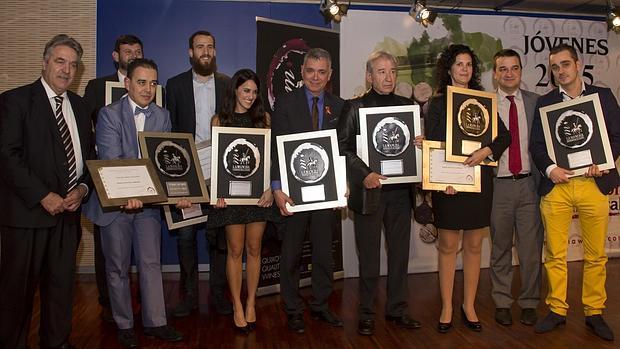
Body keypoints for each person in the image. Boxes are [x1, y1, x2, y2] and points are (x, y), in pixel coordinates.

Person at [0, 34, 93, 349]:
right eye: (60, 61)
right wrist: (44, 195)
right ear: (44, 62)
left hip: (68, 217)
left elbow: (88, 158)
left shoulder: (80, 107)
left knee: (61, 288)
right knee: (17, 294)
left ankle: (57, 342)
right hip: (27, 217)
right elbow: (7, 157)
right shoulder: (15, 101)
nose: (67, 70)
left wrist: (82, 188)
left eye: (73, 64)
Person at [83, 59, 184, 348]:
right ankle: (125, 324)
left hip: (148, 205)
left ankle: (156, 322)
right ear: (127, 83)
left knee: (151, 263)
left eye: (153, 83)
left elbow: (164, 161)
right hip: (115, 204)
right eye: (142, 82)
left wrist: (178, 190)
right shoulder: (108, 114)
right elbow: (112, 161)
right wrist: (131, 193)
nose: (148, 89)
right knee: (117, 267)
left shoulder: (163, 116)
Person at [530, 43, 620, 342]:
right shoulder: (545, 103)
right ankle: (557, 309)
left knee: (596, 256)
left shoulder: (603, 97)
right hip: (558, 185)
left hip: (594, 184)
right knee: (555, 254)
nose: (560, 71)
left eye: (565, 65)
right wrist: (550, 169)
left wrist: (604, 162)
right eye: (554, 67)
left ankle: (594, 312)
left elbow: (617, 135)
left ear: (578, 64)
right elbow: (538, 146)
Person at [425, 44, 510, 334]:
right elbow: (435, 144)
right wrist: (440, 180)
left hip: (478, 180)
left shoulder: (485, 101)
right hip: (448, 183)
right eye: (459, 64)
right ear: (448, 68)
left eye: (469, 64)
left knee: (474, 246)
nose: (464, 69)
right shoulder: (436, 103)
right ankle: (447, 306)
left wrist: (486, 149)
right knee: (448, 247)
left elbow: (504, 136)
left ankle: (469, 305)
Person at [337, 50, 423, 336]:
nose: (388, 77)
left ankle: (397, 309)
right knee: (370, 259)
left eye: (392, 71)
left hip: (400, 193)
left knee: (399, 256)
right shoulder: (355, 107)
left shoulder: (407, 106)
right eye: (381, 71)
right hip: (370, 193)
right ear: (369, 75)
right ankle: (365, 313)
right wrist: (366, 175)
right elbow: (343, 147)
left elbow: (411, 149)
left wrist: (420, 144)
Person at [272, 48, 345, 333]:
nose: (316, 77)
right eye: (311, 71)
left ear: (330, 75)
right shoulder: (285, 103)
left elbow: (343, 150)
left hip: (326, 193)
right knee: (290, 253)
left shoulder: (339, 106)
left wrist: (342, 186)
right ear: (302, 72)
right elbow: (277, 148)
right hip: (293, 193)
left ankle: (320, 304)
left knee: (324, 253)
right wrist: (277, 188)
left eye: (322, 71)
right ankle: (292, 308)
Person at [165, 30, 232, 317]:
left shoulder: (228, 85)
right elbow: (168, 133)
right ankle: (189, 296)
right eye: (199, 47)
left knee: (218, 237)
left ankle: (218, 294)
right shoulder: (175, 85)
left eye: (210, 46)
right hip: (187, 173)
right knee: (186, 237)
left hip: (219, 172)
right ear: (190, 52)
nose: (205, 51)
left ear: (215, 52)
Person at [82, 34, 144, 322]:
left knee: (139, 252)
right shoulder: (97, 87)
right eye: (127, 51)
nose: (132, 55)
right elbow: (87, 131)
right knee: (107, 249)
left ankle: (139, 302)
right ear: (115, 56)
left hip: (141, 183)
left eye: (137, 51)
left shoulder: (153, 89)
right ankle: (107, 302)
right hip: (107, 178)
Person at [208, 69, 275, 332]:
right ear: (235, 90)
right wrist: (218, 193)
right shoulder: (220, 120)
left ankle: (251, 303)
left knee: (255, 249)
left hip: (258, 197)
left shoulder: (264, 119)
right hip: (230, 199)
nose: (250, 96)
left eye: (255, 92)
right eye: (246, 90)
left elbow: (270, 161)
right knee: (235, 250)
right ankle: (236, 304)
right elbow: (215, 163)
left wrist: (271, 188)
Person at [489, 49, 543, 327]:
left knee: (531, 250)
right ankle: (501, 301)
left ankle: (530, 302)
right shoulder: (483, 104)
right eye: (503, 69)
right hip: (497, 186)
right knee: (499, 248)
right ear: (494, 74)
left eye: (514, 68)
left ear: (521, 71)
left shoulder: (537, 102)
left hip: (528, 185)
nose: (509, 73)